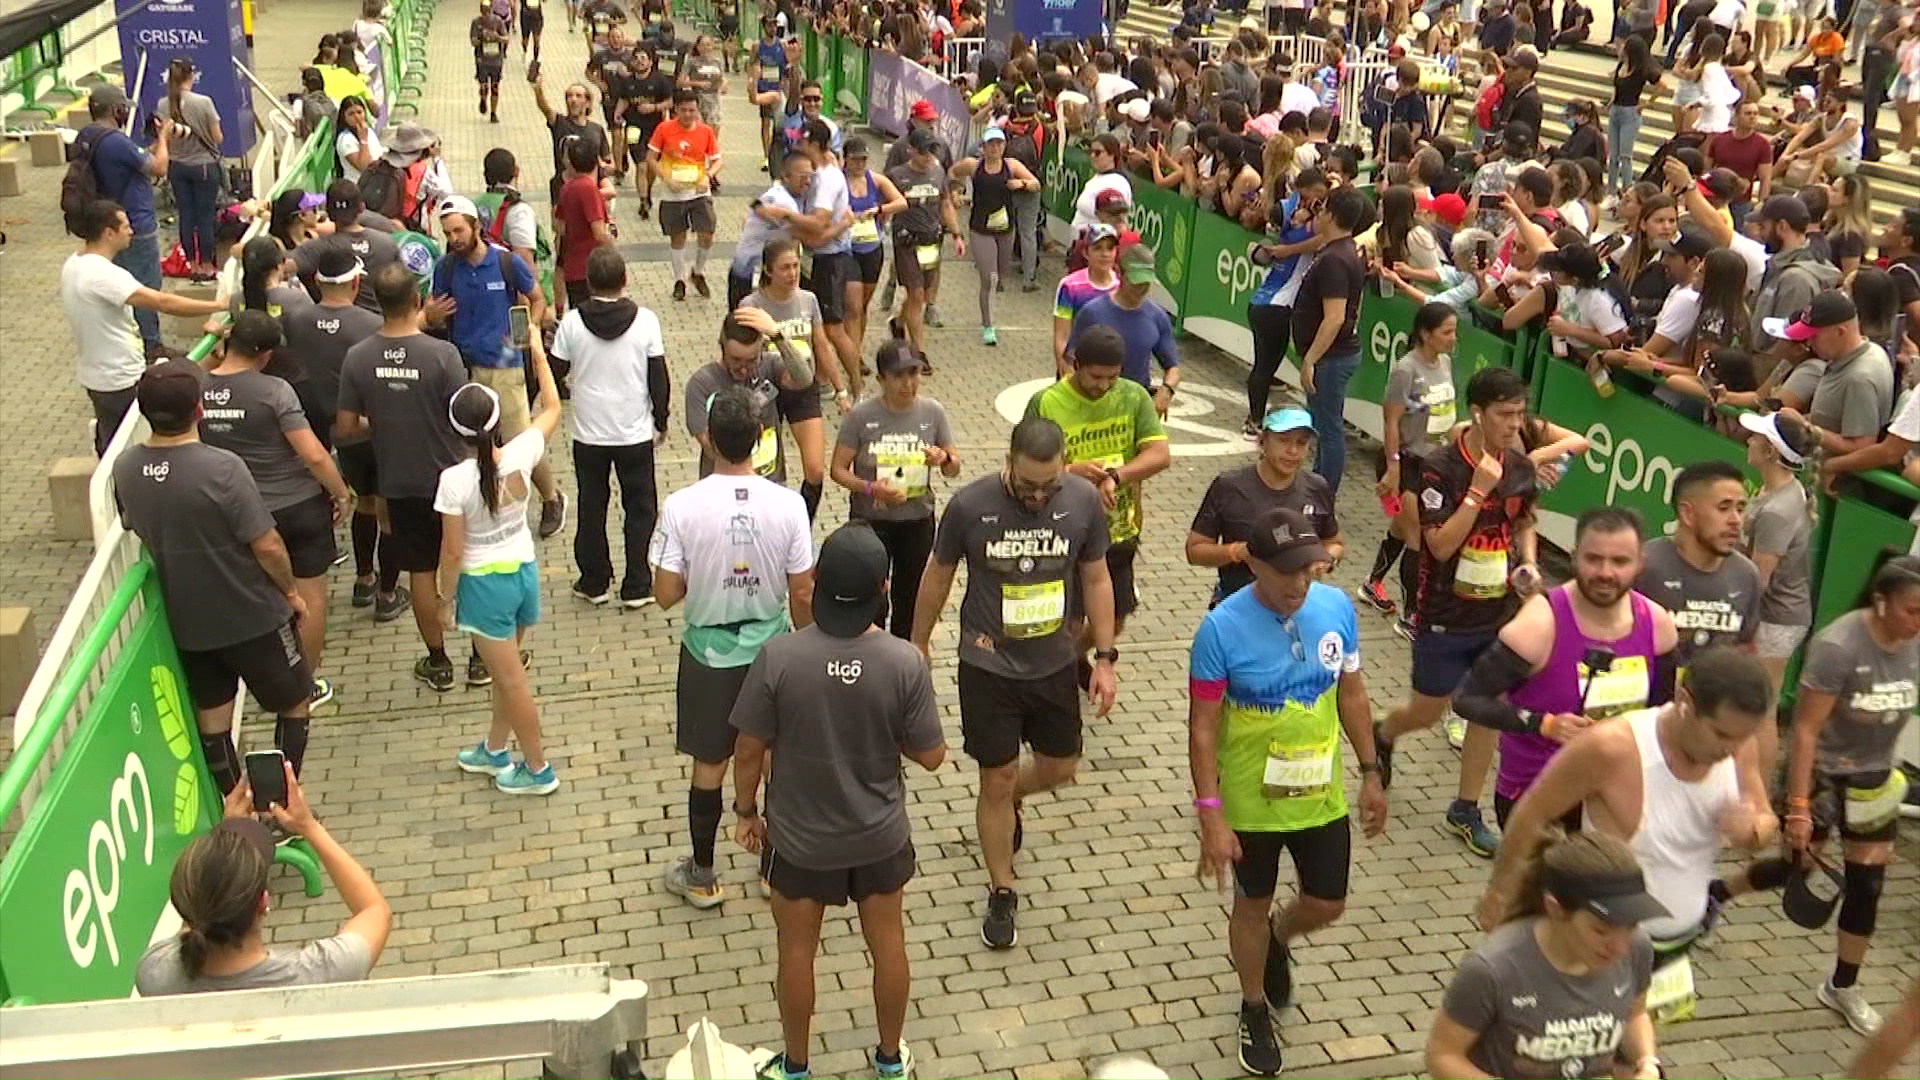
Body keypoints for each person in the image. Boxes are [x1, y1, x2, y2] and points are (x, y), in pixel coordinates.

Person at [730, 525, 947, 1080]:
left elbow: (749, 746)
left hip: (800, 839)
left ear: (818, 581)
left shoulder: (779, 656)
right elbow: (932, 756)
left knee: (796, 951)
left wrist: (747, 811)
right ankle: (890, 1058)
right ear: (884, 586)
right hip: (878, 835)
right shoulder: (903, 662)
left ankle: (796, 1065)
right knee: (888, 944)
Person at [1476, 646, 1776, 1024]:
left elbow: (1764, 819)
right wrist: (1501, 894)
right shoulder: (1611, 747)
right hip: (1602, 947)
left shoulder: (1738, 745)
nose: (1730, 749)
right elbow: (1532, 815)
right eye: (1720, 734)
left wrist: (1754, 830)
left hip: (1677, 945)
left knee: (1638, 1051)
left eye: (1742, 737)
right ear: (1685, 701)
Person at [1189, 506, 1386, 1078]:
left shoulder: (1335, 608)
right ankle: (1254, 1008)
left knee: (1329, 902)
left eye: (1309, 568)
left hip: (1319, 795)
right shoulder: (1219, 630)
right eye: (1287, 571)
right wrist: (1211, 814)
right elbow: (1202, 729)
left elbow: (1351, 693)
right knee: (1249, 904)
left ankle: (1281, 934)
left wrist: (1372, 770)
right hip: (1250, 804)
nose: (1301, 581)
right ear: (1253, 563)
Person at [910, 417, 1119, 951]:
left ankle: (1009, 802)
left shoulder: (1083, 503)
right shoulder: (969, 505)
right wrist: (919, 642)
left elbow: (1096, 577)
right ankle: (1002, 888)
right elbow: (938, 574)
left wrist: (1105, 658)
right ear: (1008, 462)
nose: (1037, 496)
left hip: (1052, 665)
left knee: (1060, 767)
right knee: (995, 778)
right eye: (1027, 486)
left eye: (1048, 486)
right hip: (987, 665)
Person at [113, 360, 312, 795]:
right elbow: (267, 545)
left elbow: (135, 524)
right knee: (295, 702)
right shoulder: (223, 467)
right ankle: (278, 803)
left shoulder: (125, 468)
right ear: (199, 410)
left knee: (213, 720)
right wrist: (292, 592)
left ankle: (234, 803)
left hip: (188, 621)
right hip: (253, 614)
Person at [650, 385, 815, 908]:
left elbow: (664, 595)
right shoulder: (789, 506)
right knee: (772, 760)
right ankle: (774, 869)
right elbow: (802, 590)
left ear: (708, 441)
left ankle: (702, 874)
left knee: (710, 761)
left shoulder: (681, 506)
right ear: (763, 438)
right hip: (771, 650)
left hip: (707, 654)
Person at [1375, 366, 1541, 859]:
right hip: (1444, 613)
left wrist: (1528, 563)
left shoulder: (1520, 465)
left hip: (1499, 613)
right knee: (1428, 710)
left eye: (1520, 413)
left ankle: (1466, 808)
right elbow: (1441, 546)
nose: (1515, 424)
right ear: (1477, 413)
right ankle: (1385, 732)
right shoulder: (1440, 467)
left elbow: (1527, 519)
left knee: (1485, 709)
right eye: (1505, 415)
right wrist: (1477, 492)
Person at [1451, 507, 1680, 826]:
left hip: (1615, 795)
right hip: (1539, 798)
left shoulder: (1657, 626)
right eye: (1593, 559)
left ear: (1640, 563)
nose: (1605, 572)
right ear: (1574, 558)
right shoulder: (1538, 624)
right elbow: (1468, 699)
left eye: (1620, 561)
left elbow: (1662, 712)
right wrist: (1544, 725)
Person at [1783, 555, 1920, 1035]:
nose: (1919, 621)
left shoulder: (1916, 642)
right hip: (1822, 775)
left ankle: (1842, 986)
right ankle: (1717, 896)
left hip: (1875, 778)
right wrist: (1798, 808)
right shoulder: (1839, 645)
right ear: (1880, 601)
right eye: (1913, 610)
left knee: (1868, 886)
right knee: (1791, 866)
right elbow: (1803, 730)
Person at [198, 311, 351, 708]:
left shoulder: (197, 386)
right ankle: (304, 685)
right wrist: (339, 492)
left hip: (237, 514)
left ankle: (258, 678)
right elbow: (314, 455)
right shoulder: (275, 391)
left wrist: (214, 351)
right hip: (296, 507)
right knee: (311, 597)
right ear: (265, 354)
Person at [1426, 830, 1665, 1080]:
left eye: (1630, 926)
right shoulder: (1492, 970)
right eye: (1601, 930)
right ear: (1555, 909)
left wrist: (1647, 1063)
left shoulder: (1637, 947)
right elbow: (1442, 1055)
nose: (1620, 947)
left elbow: (1635, 1013)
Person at [439, 328, 564, 796]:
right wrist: (536, 351)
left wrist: (442, 600)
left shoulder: (454, 480)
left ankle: (537, 768)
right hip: (522, 574)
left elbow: (452, 552)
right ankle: (495, 749)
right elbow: (551, 407)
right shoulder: (522, 451)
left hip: (482, 585)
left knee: (512, 682)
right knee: (506, 672)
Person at [134, 769, 390, 994]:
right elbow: (374, 911)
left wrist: (228, 836)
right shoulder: (321, 974)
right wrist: (309, 826)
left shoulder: (155, 973)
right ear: (263, 902)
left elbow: (199, 909)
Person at [337, 264, 471, 693]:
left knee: (421, 569)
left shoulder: (357, 357)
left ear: (377, 303)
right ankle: (483, 658)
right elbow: (466, 420)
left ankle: (438, 660)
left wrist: (383, 424)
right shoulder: (443, 356)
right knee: (468, 566)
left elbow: (344, 430)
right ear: (417, 301)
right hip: (451, 479)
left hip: (399, 481)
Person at [427, 197, 568, 541]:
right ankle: (484, 500)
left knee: (521, 438)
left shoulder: (506, 263)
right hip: (464, 368)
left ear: (477, 227)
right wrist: (431, 315)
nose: (455, 238)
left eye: (459, 230)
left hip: (506, 368)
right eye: (448, 233)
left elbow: (537, 298)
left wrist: (529, 330)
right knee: (471, 443)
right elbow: (432, 308)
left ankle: (551, 498)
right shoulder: (446, 268)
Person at [1027, 325, 1172, 648]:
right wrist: (1068, 471)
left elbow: (1160, 455)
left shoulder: (1133, 396)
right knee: (1071, 619)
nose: (1104, 386)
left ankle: (1072, 659)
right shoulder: (1047, 403)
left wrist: (1117, 476)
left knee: (1114, 620)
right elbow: (1020, 467)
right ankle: (1063, 671)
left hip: (1119, 530)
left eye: (1112, 377)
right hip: (1063, 533)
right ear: (1075, 364)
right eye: (1095, 377)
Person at [62, 200, 226, 456]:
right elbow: (162, 302)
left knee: (113, 437)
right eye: (126, 226)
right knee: (126, 446)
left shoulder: (75, 263)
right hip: (119, 378)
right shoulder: (102, 275)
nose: (131, 231)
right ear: (108, 233)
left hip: (98, 375)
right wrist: (218, 304)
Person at [554, 246, 667, 608]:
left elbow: (556, 368)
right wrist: (661, 418)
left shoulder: (572, 322)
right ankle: (637, 582)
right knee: (640, 508)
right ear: (625, 280)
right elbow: (658, 375)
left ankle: (594, 580)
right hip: (633, 432)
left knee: (592, 506)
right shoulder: (646, 321)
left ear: (587, 282)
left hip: (588, 433)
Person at [830, 340, 959, 639]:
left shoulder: (933, 413)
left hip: (916, 520)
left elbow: (954, 468)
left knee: (909, 597)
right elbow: (838, 470)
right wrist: (870, 488)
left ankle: (903, 655)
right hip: (871, 521)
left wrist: (943, 458)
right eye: (898, 376)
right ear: (881, 379)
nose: (908, 384)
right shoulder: (861, 416)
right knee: (872, 595)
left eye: (914, 374)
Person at [1187, 407, 1343, 606]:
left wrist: (1326, 560)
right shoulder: (1229, 487)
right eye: (1284, 440)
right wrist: (1237, 552)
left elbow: (1334, 542)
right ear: (1262, 442)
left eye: (1301, 442)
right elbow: (1195, 551)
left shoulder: (1317, 487)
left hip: (1299, 606)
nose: (1293, 451)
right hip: (1239, 604)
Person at [1360, 302, 1458, 617]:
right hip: (1406, 463)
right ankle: (1411, 616)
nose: (1453, 338)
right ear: (1425, 334)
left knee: (1401, 529)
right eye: (1447, 332)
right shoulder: (1406, 370)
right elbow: (1391, 421)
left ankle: (1371, 582)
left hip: (1436, 464)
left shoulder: (1445, 363)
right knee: (1417, 538)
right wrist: (1392, 468)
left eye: (1454, 331)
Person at [740, 239, 845, 518]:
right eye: (785, 268)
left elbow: (821, 345)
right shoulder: (751, 304)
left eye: (796, 266)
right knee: (765, 467)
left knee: (815, 470)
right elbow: (739, 351)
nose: (792, 273)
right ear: (768, 271)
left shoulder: (807, 300)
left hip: (803, 387)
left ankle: (801, 525)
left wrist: (841, 389)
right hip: (766, 390)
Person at [78, 84, 170, 355]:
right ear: (115, 109)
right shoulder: (115, 140)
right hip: (135, 225)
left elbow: (133, 160)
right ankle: (151, 345)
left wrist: (150, 148)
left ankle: (128, 338)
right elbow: (159, 167)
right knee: (145, 286)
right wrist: (164, 138)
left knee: (118, 285)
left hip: (106, 224)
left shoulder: (87, 136)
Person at [1291, 186, 1371, 496]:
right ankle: (1317, 482)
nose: (1318, 213)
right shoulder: (1339, 251)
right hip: (1331, 355)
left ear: (1332, 215)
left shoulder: (1336, 259)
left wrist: (1311, 359)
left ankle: (1322, 493)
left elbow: (1334, 317)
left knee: (1328, 428)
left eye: (1323, 208)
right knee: (1324, 425)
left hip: (1331, 357)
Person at [684, 308, 814, 488]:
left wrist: (778, 337)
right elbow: (708, 446)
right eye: (736, 360)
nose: (744, 369)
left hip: (771, 481)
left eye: (752, 361)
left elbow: (804, 379)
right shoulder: (702, 384)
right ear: (722, 346)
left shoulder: (769, 367)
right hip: (721, 487)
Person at [1736, 411, 1817, 698]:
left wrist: (1738, 629)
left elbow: (1759, 580)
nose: (1748, 440)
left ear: (1770, 451)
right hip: (1775, 616)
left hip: (1775, 621)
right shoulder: (1775, 492)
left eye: (1756, 438)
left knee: (1759, 708)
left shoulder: (1777, 511)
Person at [1770, 294, 1897, 458]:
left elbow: (1861, 446)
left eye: (1815, 336)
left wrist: (1804, 426)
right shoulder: (1866, 351)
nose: (1808, 343)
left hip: (1836, 476)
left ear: (1840, 332)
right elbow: (1832, 418)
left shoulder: (1859, 378)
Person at [788, 120, 862, 399]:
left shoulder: (828, 180)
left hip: (830, 260)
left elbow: (818, 223)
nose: (797, 146)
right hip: (815, 256)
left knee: (833, 328)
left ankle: (856, 387)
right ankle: (822, 381)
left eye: (802, 142)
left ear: (815, 145)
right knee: (815, 325)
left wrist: (789, 220)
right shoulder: (819, 170)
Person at [950, 128, 1040, 347]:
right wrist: (956, 192)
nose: (995, 148)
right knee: (988, 279)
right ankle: (988, 325)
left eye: (999, 144)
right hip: (980, 229)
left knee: (999, 275)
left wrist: (1023, 184)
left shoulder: (1012, 166)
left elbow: (1037, 184)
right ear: (984, 146)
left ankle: (990, 304)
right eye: (991, 144)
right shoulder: (974, 165)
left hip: (1005, 230)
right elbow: (953, 172)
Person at [1066, 246, 1182, 409]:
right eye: (1135, 282)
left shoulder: (1158, 316)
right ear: (1119, 273)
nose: (1141, 288)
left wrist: (1166, 391)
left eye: (1146, 282)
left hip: (1134, 405)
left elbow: (1172, 368)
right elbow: (1070, 362)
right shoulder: (1092, 312)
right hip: (1093, 402)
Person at [884, 128, 961, 367]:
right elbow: (884, 207)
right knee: (916, 294)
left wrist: (957, 235)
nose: (928, 156)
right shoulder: (896, 176)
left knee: (923, 296)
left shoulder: (938, 173)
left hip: (931, 242)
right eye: (923, 152)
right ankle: (918, 353)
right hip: (907, 242)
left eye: (932, 151)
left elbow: (946, 204)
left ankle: (898, 322)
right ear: (911, 151)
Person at [649, 89, 722, 301]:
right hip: (673, 194)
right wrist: (665, 178)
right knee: (677, 237)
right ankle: (679, 279)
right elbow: (652, 158)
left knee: (707, 232)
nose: (689, 115)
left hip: (699, 191)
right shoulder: (664, 129)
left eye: (692, 110)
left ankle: (698, 272)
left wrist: (708, 176)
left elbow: (718, 159)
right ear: (675, 110)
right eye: (684, 110)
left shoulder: (705, 132)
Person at [156, 58, 224, 283]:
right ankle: (206, 265)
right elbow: (217, 137)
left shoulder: (163, 104)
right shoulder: (204, 102)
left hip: (177, 166)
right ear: (191, 75)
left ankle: (191, 263)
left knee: (185, 215)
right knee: (205, 216)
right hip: (203, 165)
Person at [292, 180, 402, 315]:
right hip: (382, 326)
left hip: (336, 327)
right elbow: (403, 288)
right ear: (361, 208)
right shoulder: (387, 243)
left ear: (329, 213)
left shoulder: (315, 249)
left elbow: (280, 266)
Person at [842, 139, 905, 356]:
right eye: (855, 160)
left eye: (864, 160)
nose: (860, 164)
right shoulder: (838, 182)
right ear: (846, 159)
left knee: (862, 306)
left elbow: (901, 202)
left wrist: (878, 209)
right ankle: (853, 356)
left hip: (871, 249)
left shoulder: (875, 180)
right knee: (853, 307)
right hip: (847, 251)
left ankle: (855, 349)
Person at [1052, 224, 1123, 378]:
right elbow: (1061, 335)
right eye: (1098, 248)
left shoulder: (1122, 284)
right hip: (1077, 369)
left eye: (1110, 249)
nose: (1105, 254)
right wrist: (1065, 371)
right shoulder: (1070, 285)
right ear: (1086, 252)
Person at [532, 77, 611, 210]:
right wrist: (538, 89)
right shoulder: (560, 123)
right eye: (569, 96)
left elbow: (609, 163)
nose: (573, 100)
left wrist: (603, 167)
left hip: (589, 189)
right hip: (562, 186)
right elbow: (545, 108)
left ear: (587, 102)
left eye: (578, 96)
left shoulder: (597, 130)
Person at [555, 138, 615, 307]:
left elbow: (559, 225)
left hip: (573, 266)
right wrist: (613, 253)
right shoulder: (589, 189)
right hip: (590, 270)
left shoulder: (567, 187)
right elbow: (599, 233)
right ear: (597, 160)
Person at [471, 0, 510, 122]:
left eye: (487, 10)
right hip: (482, 59)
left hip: (496, 59)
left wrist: (497, 37)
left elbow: (506, 38)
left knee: (495, 87)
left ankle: (493, 113)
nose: (486, 13)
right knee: (484, 86)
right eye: (484, 10)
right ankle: (483, 99)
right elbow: (473, 41)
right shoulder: (476, 22)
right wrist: (482, 38)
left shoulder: (498, 22)